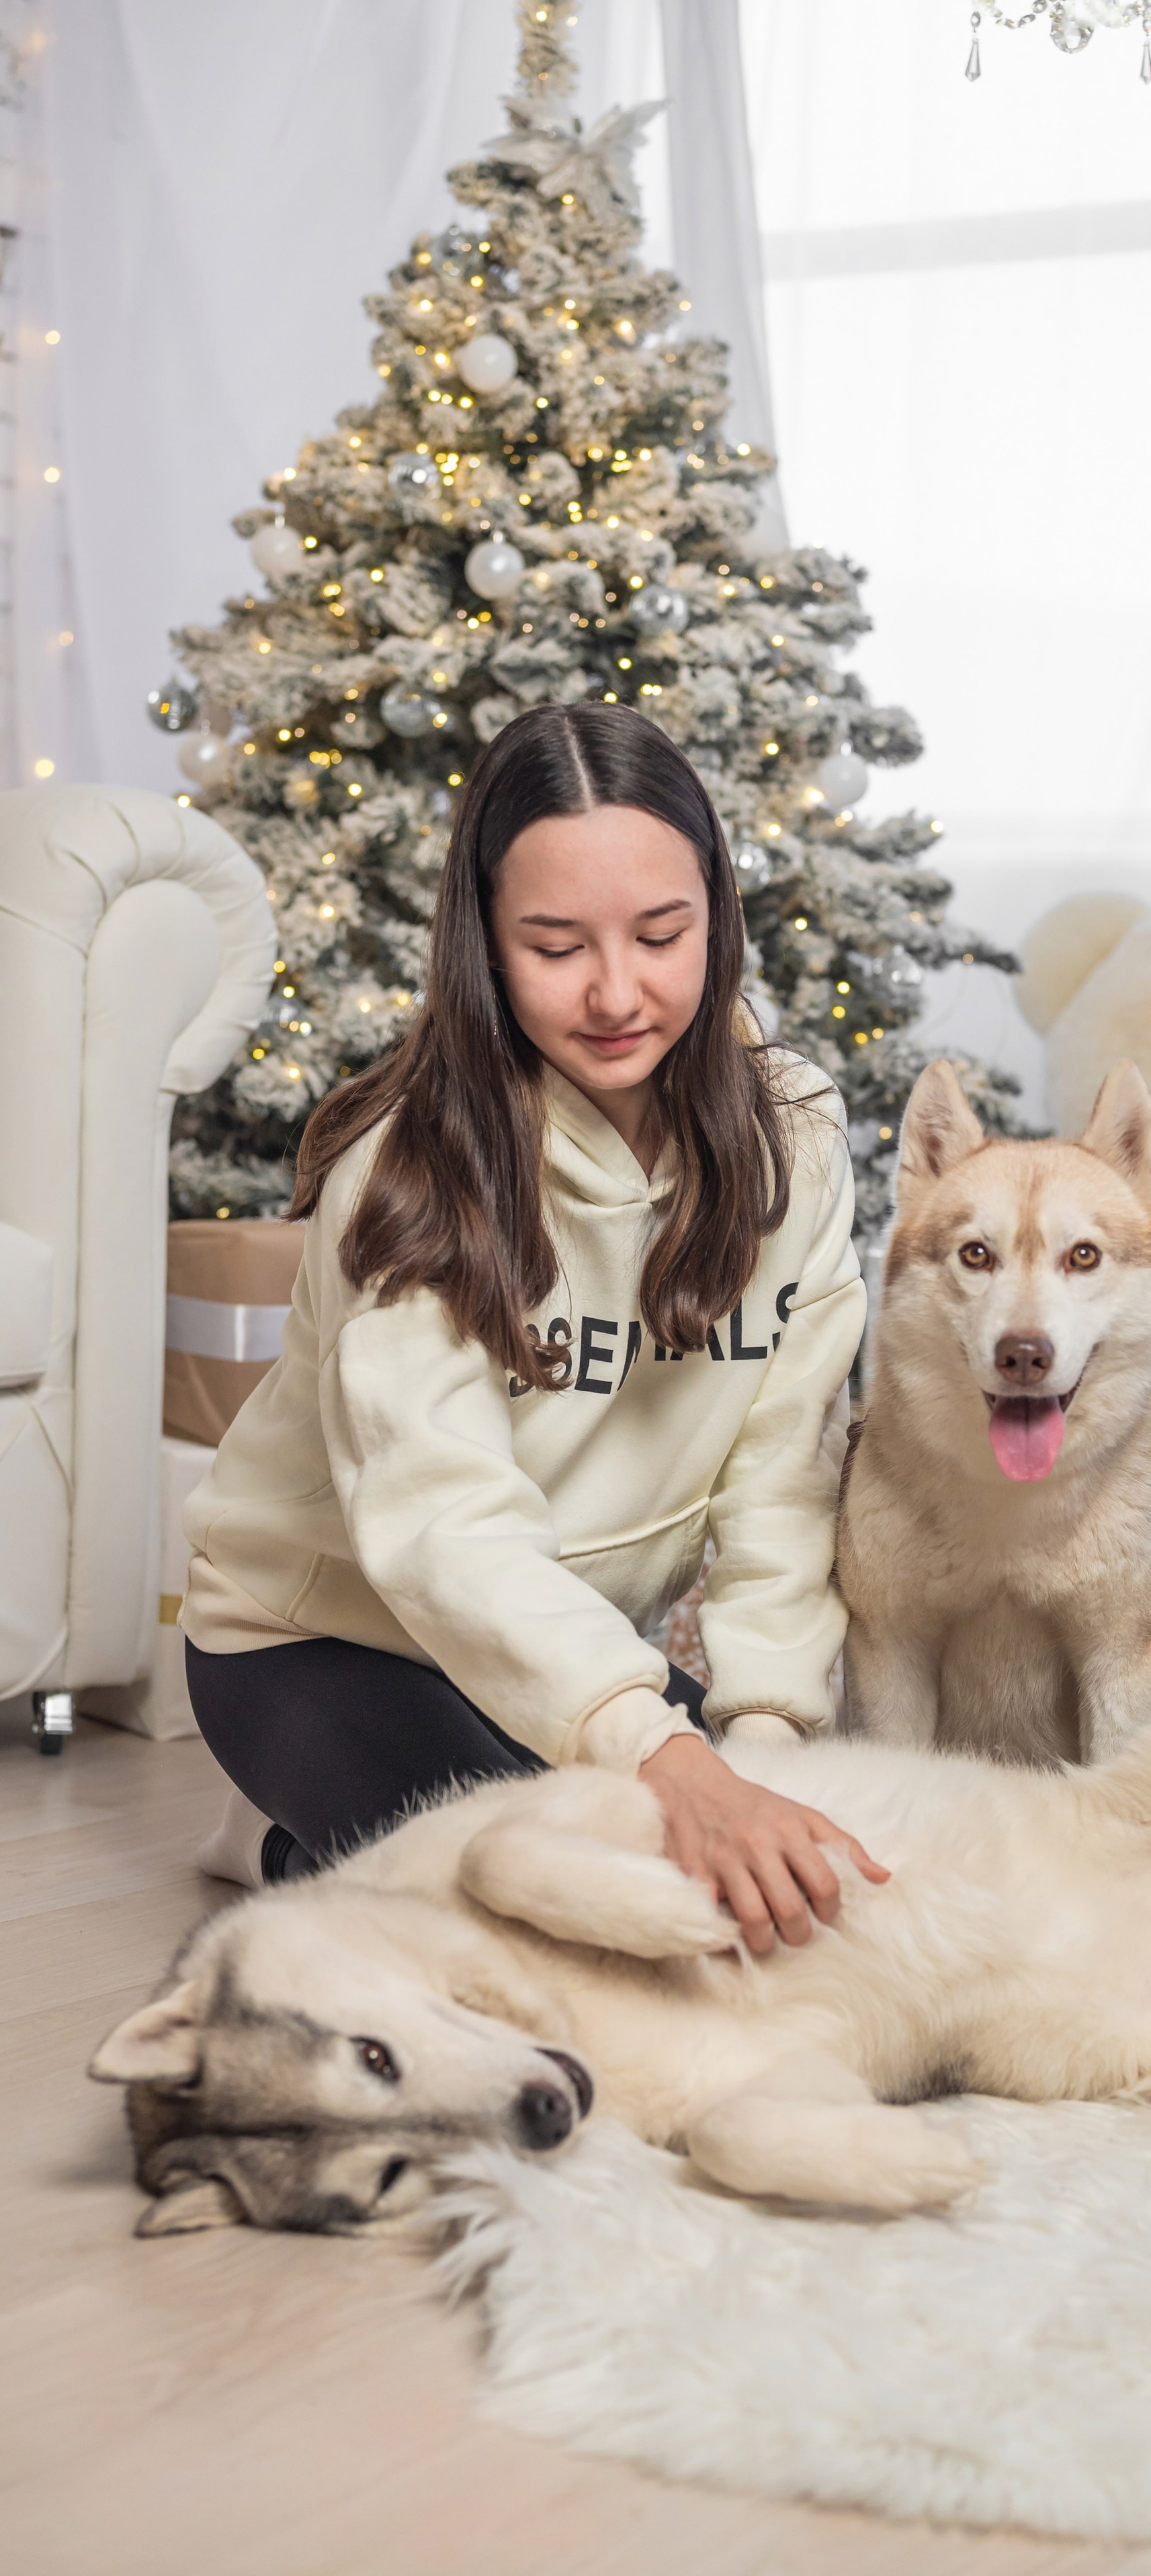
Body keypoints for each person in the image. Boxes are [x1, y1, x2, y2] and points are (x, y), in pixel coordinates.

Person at [183, 701, 885, 1955]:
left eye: (663, 934)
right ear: (486, 947)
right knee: (561, 1920)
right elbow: (448, 1536)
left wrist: (767, 1743)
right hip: (327, 1639)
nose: (619, 992)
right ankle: (295, 1840)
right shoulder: (404, 1177)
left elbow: (787, 1478)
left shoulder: (802, 1137)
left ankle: (361, 1841)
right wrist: (664, 1750)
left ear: (718, 916)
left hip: (559, 1646)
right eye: (555, 945)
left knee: (771, 1896)